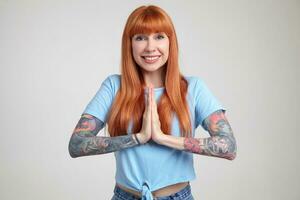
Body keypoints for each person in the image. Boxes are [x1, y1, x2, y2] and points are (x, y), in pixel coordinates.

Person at [68, 4, 237, 200]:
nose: (150, 47)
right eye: (140, 37)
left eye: (159, 36)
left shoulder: (193, 88)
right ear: (129, 43)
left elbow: (229, 146)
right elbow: (77, 144)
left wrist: (162, 138)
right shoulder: (114, 86)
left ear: (170, 42)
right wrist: (137, 138)